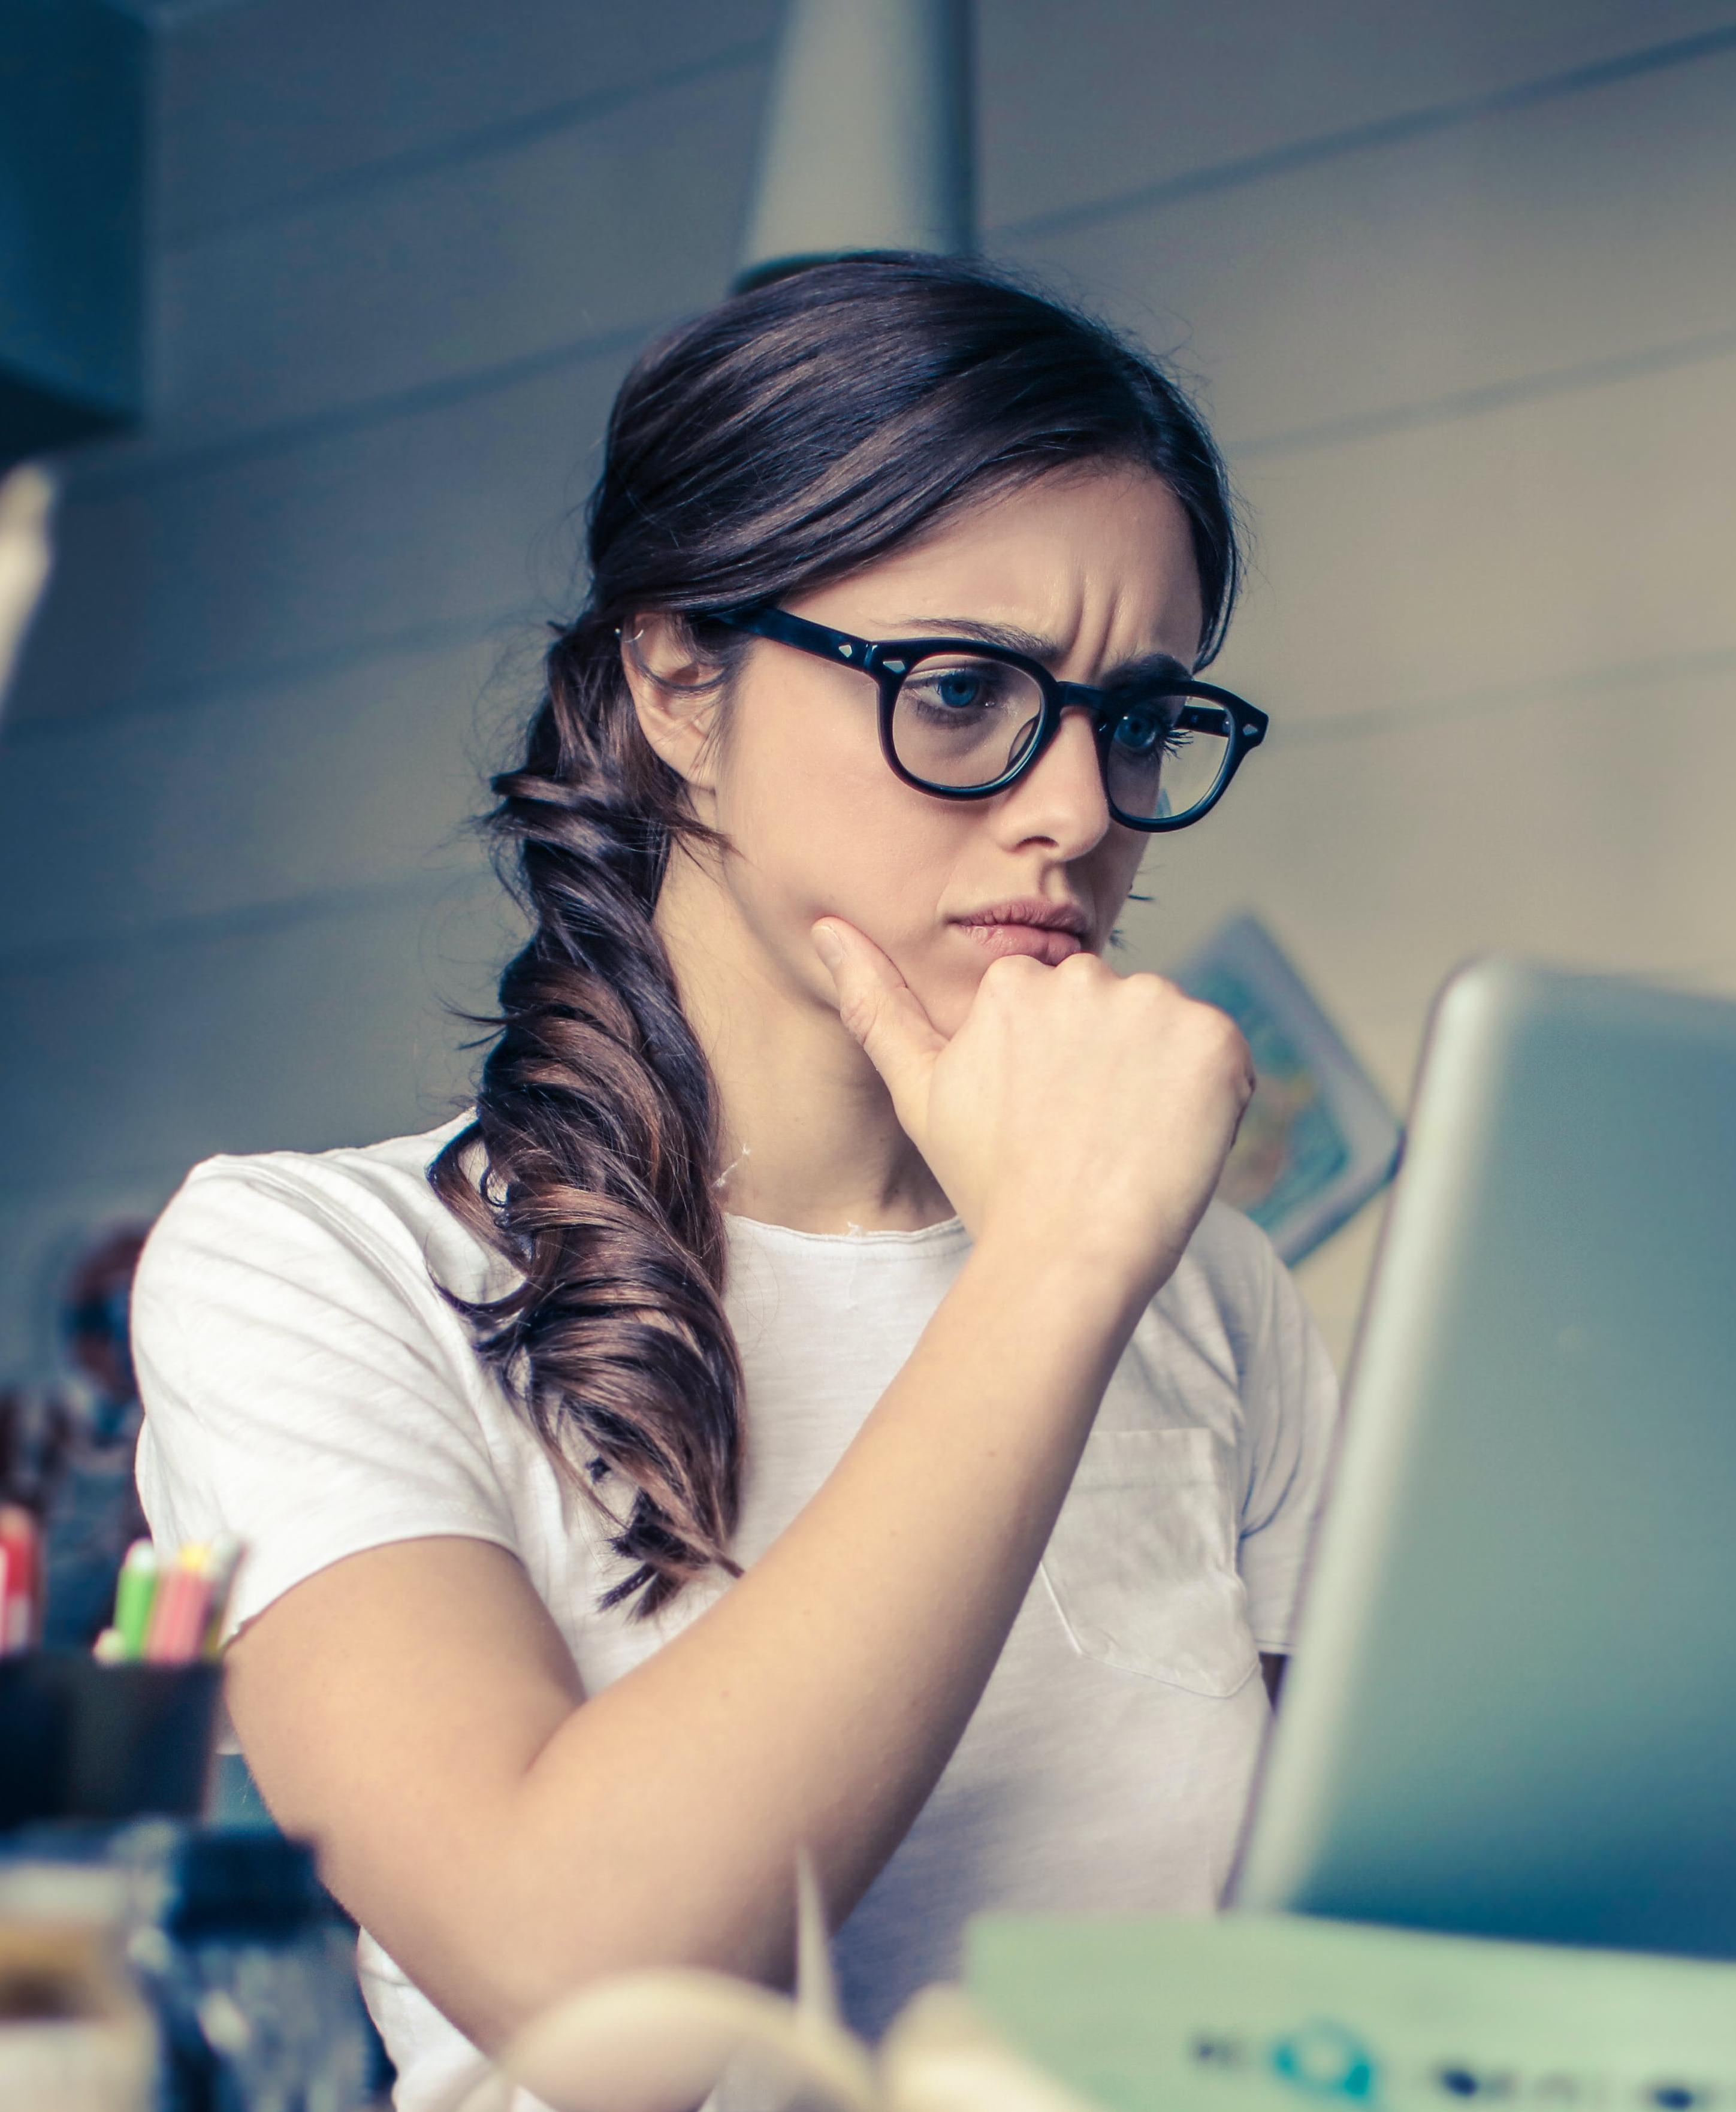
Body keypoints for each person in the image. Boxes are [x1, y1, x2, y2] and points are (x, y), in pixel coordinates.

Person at [129, 255, 1333, 2110]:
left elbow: (1334, 1969)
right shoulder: (311, 1269)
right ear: (681, 683)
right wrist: (1063, 1263)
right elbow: (588, 1984)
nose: (1080, 812)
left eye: (1140, 718)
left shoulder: (1214, 1292)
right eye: (958, 692)